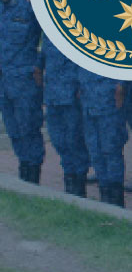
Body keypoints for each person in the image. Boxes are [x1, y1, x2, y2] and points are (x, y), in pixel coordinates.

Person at [0, 0, 44, 184]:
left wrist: (39, 66)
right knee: (14, 130)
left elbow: (49, 40)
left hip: (25, 81)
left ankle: (32, 177)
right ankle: (23, 170)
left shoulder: (29, 6)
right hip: (4, 82)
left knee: (29, 129)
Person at [41, 36, 89, 196]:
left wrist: (81, 86)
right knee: (58, 140)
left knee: (75, 140)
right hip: (53, 95)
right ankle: (69, 178)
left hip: (71, 95)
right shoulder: (50, 33)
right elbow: (43, 58)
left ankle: (79, 185)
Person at [77, 69, 128, 206]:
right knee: (95, 151)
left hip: (109, 100)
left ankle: (116, 199)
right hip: (89, 100)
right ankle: (104, 193)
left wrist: (121, 85)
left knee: (111, 150)